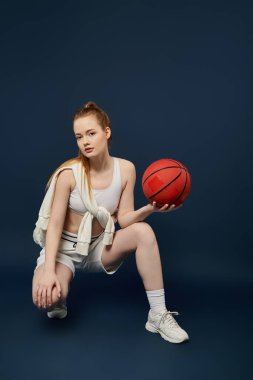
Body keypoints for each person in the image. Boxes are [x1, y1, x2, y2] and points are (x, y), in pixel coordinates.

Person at [32, 101, 189, 344]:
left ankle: (157, 315)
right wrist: (49, 271)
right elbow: (54, 226)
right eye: (79, 136)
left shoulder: (126, 169)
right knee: (47, 297)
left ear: (107, 132)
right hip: (64, 250)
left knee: (143, 232)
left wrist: (150, 208)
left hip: (99, 247)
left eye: (91, 133)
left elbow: (124, 219)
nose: (85, 141)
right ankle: (60, 296)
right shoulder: (69, 174)